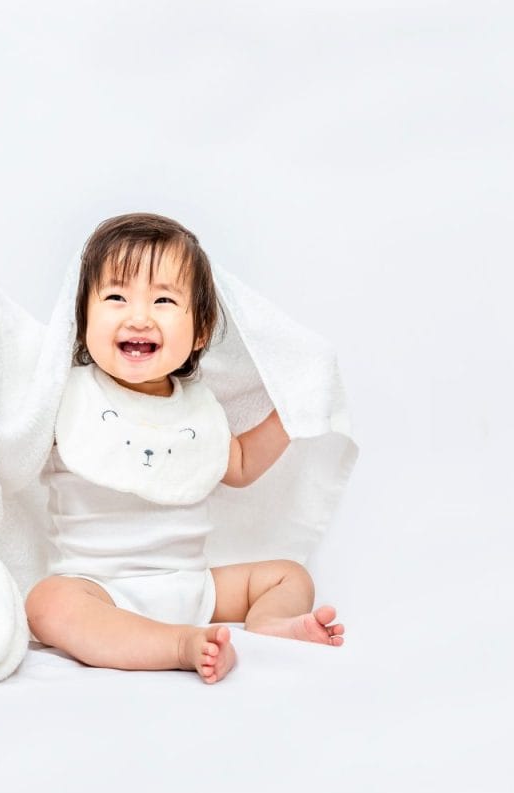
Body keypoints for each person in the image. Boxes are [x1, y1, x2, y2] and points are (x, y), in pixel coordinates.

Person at [25, 212, 345, 684]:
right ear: (82, 320)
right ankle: (178, 645)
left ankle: (269, 625)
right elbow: (13, 436)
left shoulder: (201, 407)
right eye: (115, 296)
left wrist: (291, 414)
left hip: (194, 586)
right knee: (47, 604)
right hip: (99, 587)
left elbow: (238, 464)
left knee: (289, 575)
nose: (139, 316)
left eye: (163, 299)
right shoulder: (66, 396)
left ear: (199, 331)